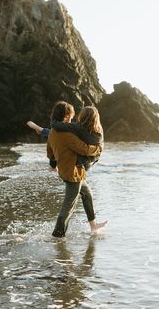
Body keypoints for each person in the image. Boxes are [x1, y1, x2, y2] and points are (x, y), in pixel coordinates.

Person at [46, 101, 107, 238]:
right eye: (71, 115)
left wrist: (53, 165)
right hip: (73, 172)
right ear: (66, 116)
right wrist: (98, 149)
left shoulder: (52, 132)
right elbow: (84, 149)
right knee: (69, 206)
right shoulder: (68, 135)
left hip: (68, 169)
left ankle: (93, 225)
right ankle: (58, 235)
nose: (73, 118)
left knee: (87, 194)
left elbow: (50, 153)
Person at [27, 106, 103, 170]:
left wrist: (55, 119)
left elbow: (55, 125)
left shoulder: (79, 127)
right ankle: (42, 130)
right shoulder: (99, 130)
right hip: (92, 161)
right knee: (63, 136)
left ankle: (41, 130)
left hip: (81, 161)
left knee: (58, 135)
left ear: (82, 115)